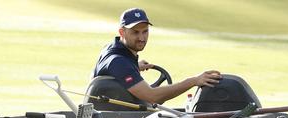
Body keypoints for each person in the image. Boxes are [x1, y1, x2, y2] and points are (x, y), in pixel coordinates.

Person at [92, 8, 221, 105]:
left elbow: (111, 70)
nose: (142, 38)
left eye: (145, 31)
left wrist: (134, 66)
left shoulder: (112, 50)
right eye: (135, 32)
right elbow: (153, 97)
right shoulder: (119, 62)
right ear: (122, 32)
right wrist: (193, 81)